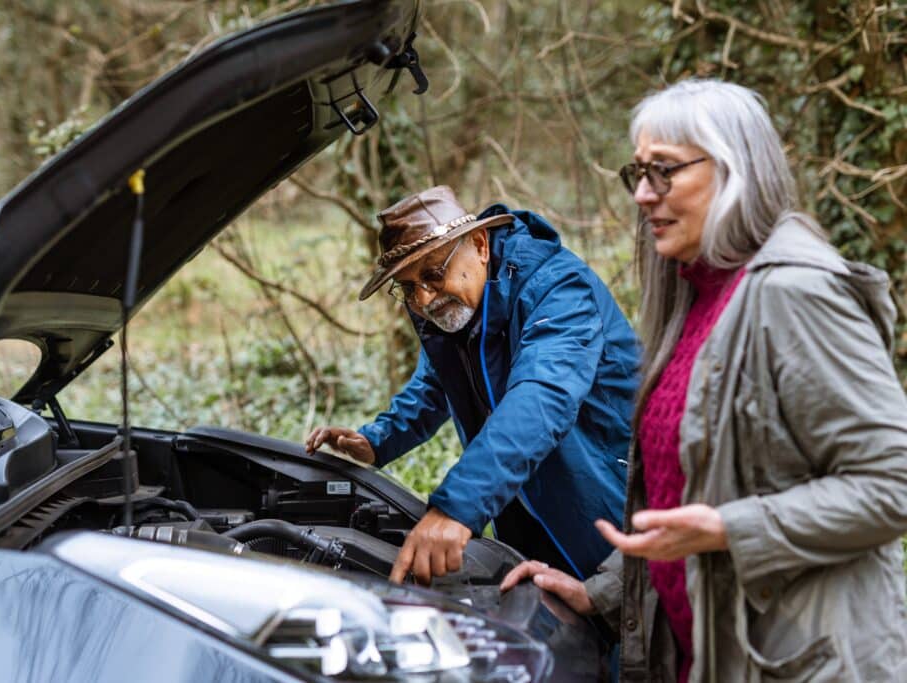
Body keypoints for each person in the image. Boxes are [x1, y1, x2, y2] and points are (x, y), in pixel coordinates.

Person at [501, 78, 907, 682]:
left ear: (734, 170)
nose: (642, 194)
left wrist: (728, 528)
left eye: (663, 171)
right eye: (636, 172)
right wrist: (604, 594)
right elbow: (680, 490)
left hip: (808, 663)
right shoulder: (693, 297)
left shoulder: (796, 294)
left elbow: (890, 483)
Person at [306, 185, 640, 587]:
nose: (425, 298)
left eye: (432, 273)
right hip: (521, 508)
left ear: (480, 244)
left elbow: (541, 398)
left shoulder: (558, 289)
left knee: (626, 632)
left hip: (610, 506)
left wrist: (456, 507)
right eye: (408, 287)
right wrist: (376, 440)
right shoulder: (454, 309)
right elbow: (434, 385)